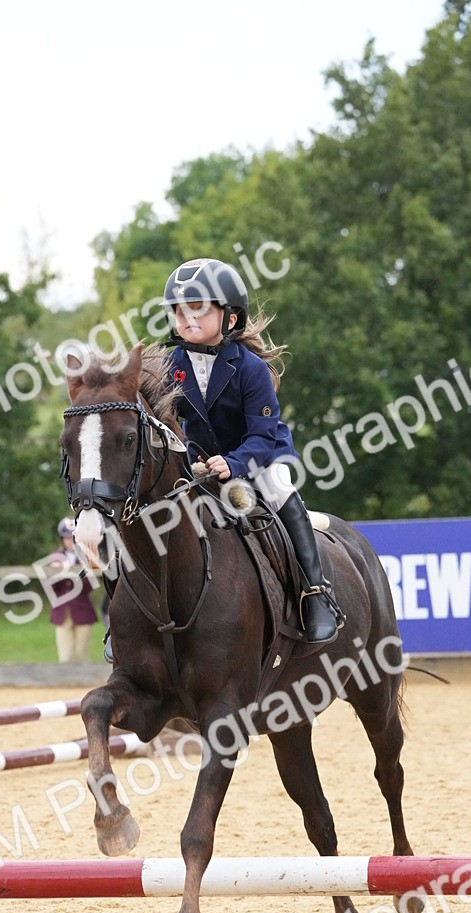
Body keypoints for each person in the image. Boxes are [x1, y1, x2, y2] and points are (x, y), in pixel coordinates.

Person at [163, 257, 341, 644]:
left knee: (280, 490)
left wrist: (233, 463)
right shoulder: (168, 365)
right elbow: (168, 424)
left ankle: (316, 593)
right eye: (179, 310)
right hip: (201, 462)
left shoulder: (250, 368)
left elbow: (262, 434)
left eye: (199, 308)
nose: (187, 318)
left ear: (230, 317)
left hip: (260, 455)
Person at [47, 517, 98, 663]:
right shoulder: (55, 557)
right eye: (67, 538)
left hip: (82, 611)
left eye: (72, 538)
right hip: (62, 613)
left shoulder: (87, 557)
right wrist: (57, 573)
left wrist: (69, 572)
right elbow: (51, 587)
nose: (70, 541)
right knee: (65, 658)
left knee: (82, 657)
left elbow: (90, 586)